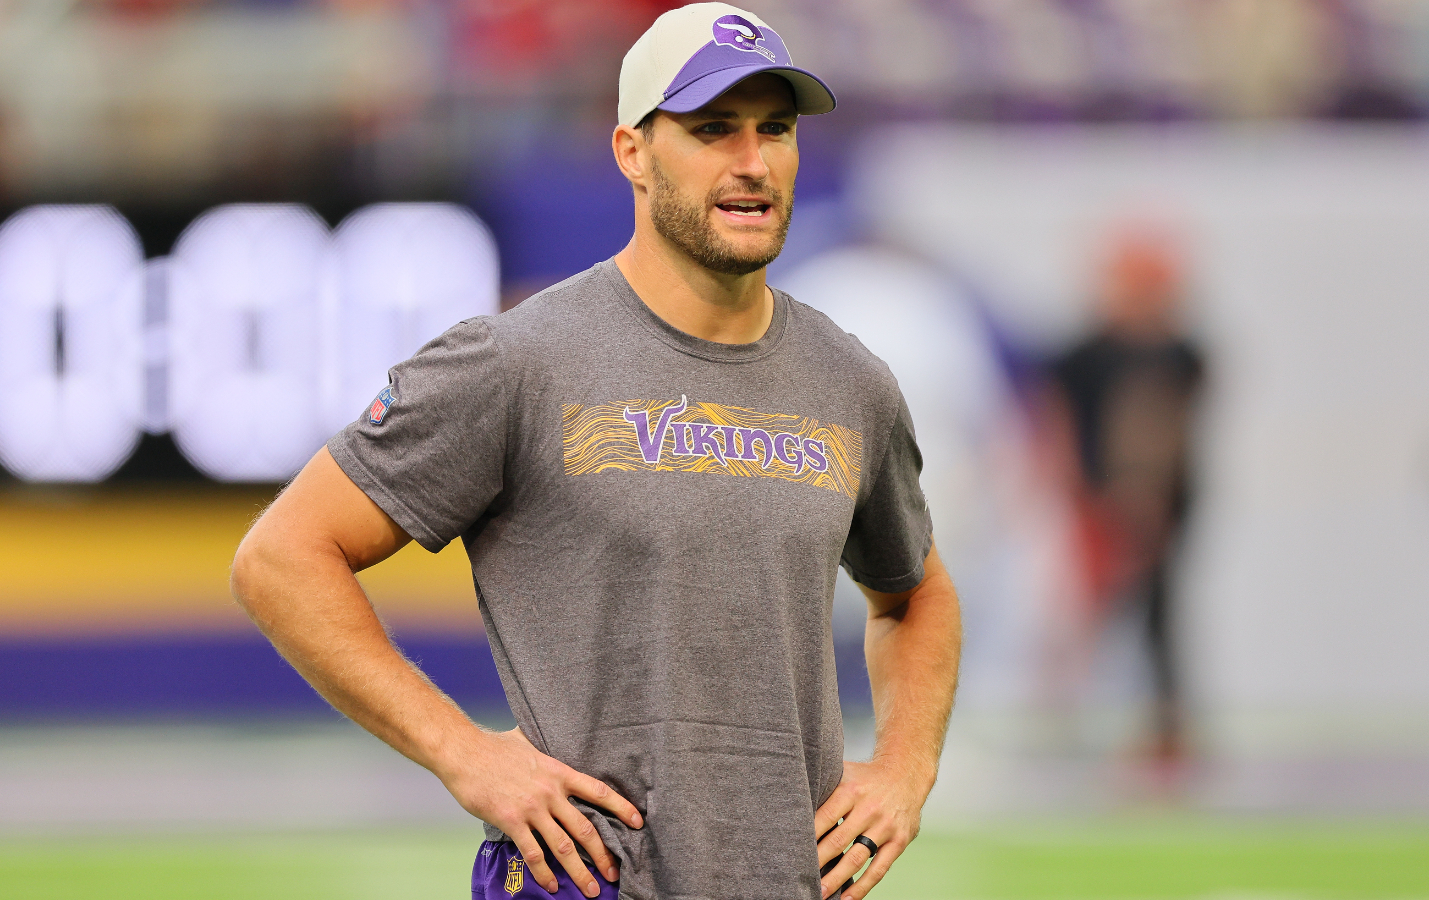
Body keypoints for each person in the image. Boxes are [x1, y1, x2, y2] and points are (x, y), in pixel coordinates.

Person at [228, 5, 962, 900]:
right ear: (632, 154)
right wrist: (464, 754)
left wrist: (902, 773)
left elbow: (914, 594)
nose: (752, 161)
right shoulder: (517, 361)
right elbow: (281, 558)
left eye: (776, 128)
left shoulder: (850, 381)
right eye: (711, 129)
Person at [1046, 227, 1203, 771]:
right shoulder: (1085, 353)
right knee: (1086, 611)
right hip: (1095, 502)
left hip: (1163, 504)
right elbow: (1061, 423)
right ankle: (1066, 721)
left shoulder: (1181, 354)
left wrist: (1148, 500)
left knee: (1160, 614)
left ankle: (1164, 731)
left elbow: (1166, 429)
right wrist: (1079, 495)